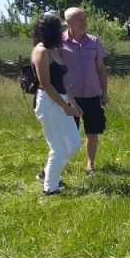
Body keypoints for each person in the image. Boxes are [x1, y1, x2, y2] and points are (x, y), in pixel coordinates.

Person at [31, 13, 83, 195]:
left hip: (61, 100)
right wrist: (65, 106)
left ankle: (47, 173)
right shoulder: (41, 51)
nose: (61, 32)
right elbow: (45, 83)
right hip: (49, 102)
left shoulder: (53, 49)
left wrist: (73, 104)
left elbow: (62, 80)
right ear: (49, 31)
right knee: (58, 147)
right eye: (58, 29)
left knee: (75, 143)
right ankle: (50, 190)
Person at [58, 7, 108, 174]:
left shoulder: (93, 41)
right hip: (70, 97)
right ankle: (58, 166)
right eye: (80, 19)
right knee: (68, 135)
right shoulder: (59, 42)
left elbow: (100, 68)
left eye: (85, 19)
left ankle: (90, 165)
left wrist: (104, 93)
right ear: (68, 22)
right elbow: (55, 71)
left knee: (92, 131)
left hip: (92, 94)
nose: (84, 22)